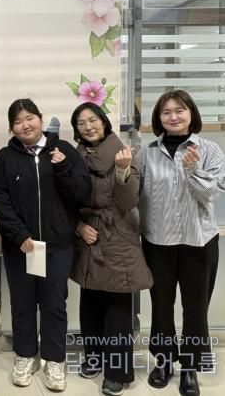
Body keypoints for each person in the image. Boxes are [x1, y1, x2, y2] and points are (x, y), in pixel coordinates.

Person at [0, 98, 91, 392]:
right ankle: (25, 356)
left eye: (30, 118)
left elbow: (82, 192)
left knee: (54, 304)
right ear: (11, 128)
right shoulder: (4, 158)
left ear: (40, 119)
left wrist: (62, 168)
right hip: (20, 246)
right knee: (22, 304)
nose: (25, 125)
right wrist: (19, 235)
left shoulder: (64, 150)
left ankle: (54, 360)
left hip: (58, 245)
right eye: (18, 121)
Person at [137, 90, 225, 396]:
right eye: (166, 112)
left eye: (179, 110)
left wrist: (193, 171)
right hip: (158, 241)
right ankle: (164, 362)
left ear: (191, 113)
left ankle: (190, 367)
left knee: (195, 307)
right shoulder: (147, 153)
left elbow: (214, 192)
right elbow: (132, 193)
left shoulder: (210, 150)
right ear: (158, 118)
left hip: (199, 241)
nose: (173, 116)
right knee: (161, 306)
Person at [69, 102, 153, 396]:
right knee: (90, 301)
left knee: (117, 307)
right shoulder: (75, 156)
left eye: (93, 120)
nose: (88, 126)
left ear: (104, 122)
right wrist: (79, 226)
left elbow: (129, 201)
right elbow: (65, 199)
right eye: (81, 123)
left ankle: (117, 372)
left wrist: (121, 171)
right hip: (87, 235)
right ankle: (93, 358)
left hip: (117, 237)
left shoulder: (124, 153)